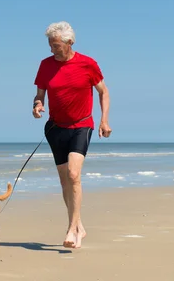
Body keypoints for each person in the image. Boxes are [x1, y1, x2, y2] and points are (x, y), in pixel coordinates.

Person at [32, 21, 112, 249]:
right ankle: (79, 226)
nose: (52, 49)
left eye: (56, 45)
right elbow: (39, 94)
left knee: (74, 175)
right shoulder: (45, 65)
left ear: (69, 43)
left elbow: (104, 92)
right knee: (65, 181)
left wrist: (104, 120)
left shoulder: (87, 64)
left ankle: (71, 228)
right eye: (50, 45)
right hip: (55, 128)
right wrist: (37, 105)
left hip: (81, 125)